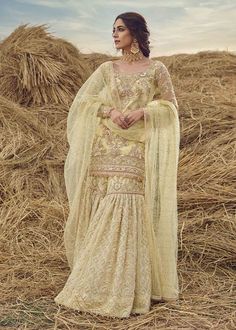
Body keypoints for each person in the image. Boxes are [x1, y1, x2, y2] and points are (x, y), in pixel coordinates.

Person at [54, 12, 180, 319]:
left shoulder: (156, 69)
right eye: (113, 30)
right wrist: (109, 111)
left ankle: (126, 289)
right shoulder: (106, 69)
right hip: (103, 147)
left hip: (135, 148)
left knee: (125, 205)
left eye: (120, 29)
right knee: (100, 208)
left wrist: (144, 112)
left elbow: (171, 106)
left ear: (135, 33)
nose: (114, 35)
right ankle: (95, 281)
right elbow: (82, 101)